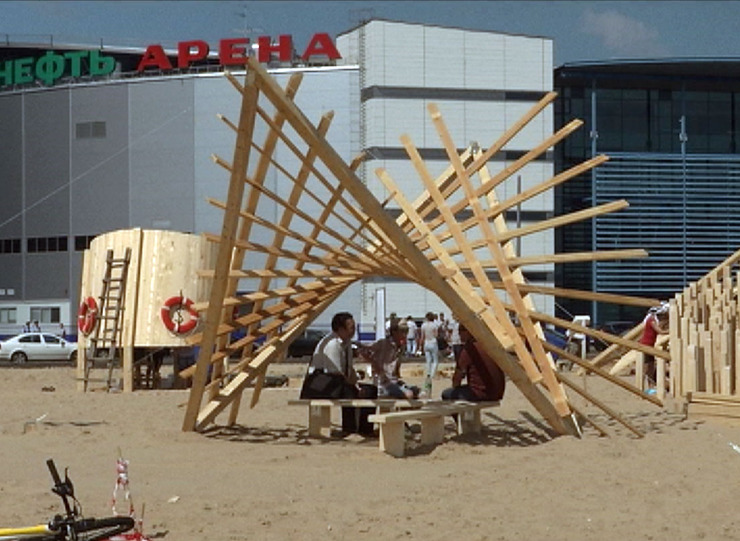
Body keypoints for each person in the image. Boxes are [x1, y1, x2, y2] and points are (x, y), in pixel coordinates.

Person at [300, 312, 375, 436]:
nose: (354, 331)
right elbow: (335, 371)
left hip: (335, 380)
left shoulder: (347, 344)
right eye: (351, 328)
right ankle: (349, 428)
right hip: (319, 384)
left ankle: (365, 429)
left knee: (370, 390)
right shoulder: (332, 344)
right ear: (341, 329)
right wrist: (353, 384)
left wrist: (358, 385)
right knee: (348, 390)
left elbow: (349, 369)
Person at [441, 322, 506, 402]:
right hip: (497, 392)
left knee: (447, 394)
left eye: (460, 331)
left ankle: (457, 414)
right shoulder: (490, 345)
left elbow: (458, 376)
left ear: (468, 331)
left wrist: (455, 388)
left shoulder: (470, 348)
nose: (459, 334)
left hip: (480, 393)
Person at [359, 322, 418, 399]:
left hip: (394, 381)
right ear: (394, 332)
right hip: (384, 383)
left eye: (406, 332)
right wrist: (374, 363)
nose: (404, 335)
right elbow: (366, 351)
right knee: (409, 394)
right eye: (402, 332)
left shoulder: (400, 348)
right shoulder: (383, 344)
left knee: (417, 391)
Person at [639, 302, 669, 388]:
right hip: (647, 344)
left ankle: (650, 386)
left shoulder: (652, 320)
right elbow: (660, 331)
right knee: (647, 367)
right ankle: (643, 386)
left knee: (651, 366)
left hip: (649, 344)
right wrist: (671, 331)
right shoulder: (651, 321)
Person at [420, 311, 439, 395]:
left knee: (428, 360)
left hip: (426, 342)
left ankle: (428, 373)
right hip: (433, 342)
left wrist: (420, 345)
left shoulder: (423, 325)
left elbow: (422, 336)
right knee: (435, 360)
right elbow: (436, 334)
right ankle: (432, 374)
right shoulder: (434, 325)